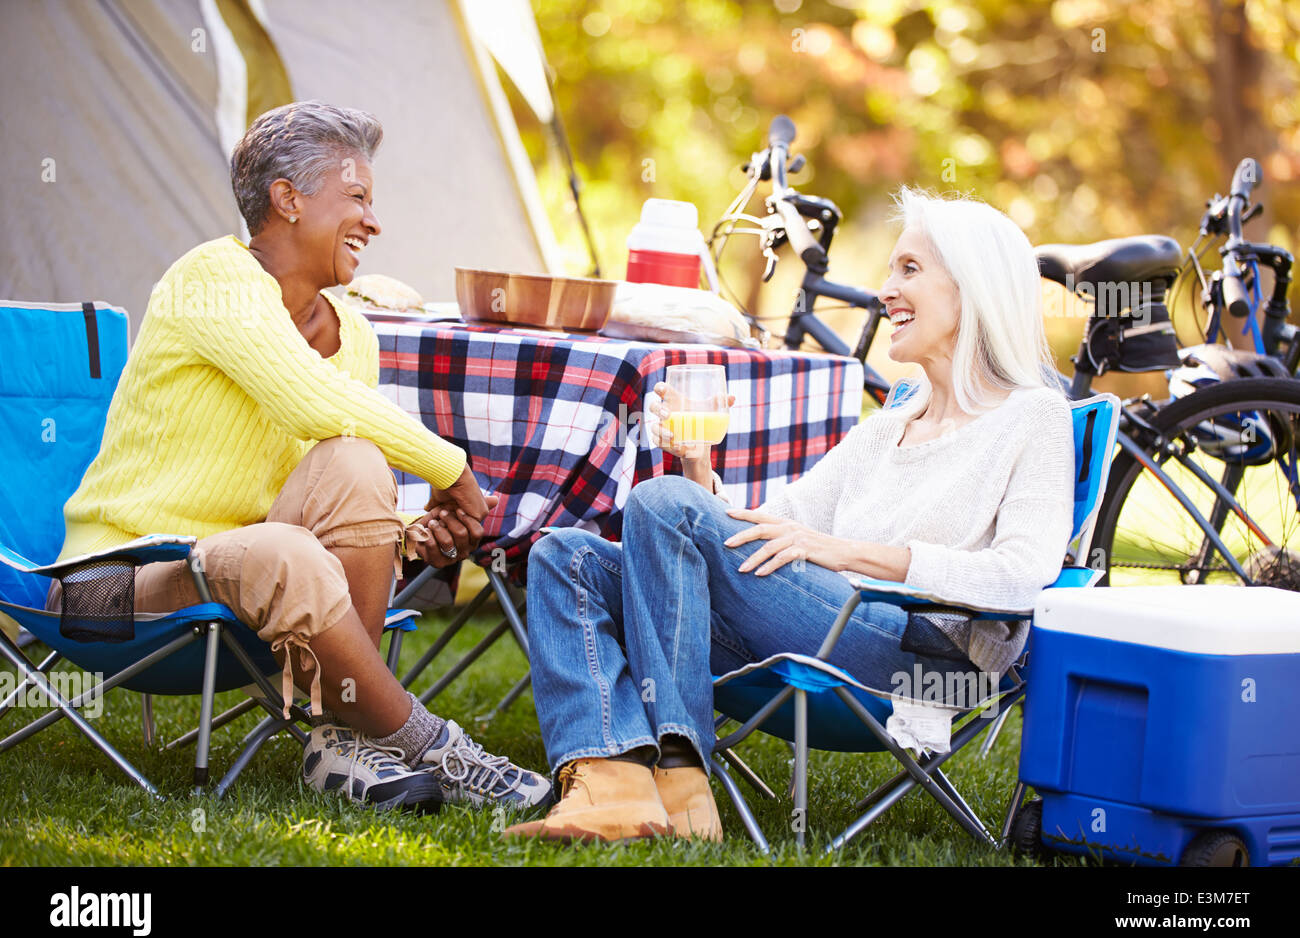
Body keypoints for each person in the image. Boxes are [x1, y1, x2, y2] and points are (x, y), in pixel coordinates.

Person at [504, 188, 1075, 843]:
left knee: (666, 507)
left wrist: (843, 553)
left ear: (974, 286)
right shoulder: (883, 431)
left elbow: (1026, 578)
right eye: (890, 270)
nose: (885, 289)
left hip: (924, 654)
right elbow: (762, 531)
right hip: (824, 626)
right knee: (564, 556)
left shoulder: (1033, 415)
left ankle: (684, 785)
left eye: (910, 269)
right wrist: (695, 465)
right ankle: (610, 786)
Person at [49, 101, 550, 814]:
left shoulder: (355, 335)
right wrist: (454, 470)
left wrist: (407, 535)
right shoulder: (209, 278)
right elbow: (303, 398)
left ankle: (339, 738)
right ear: (287, 199)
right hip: (107, 590)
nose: (374, 223)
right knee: (289, 537)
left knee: (355, 462)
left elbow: (319, 489)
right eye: (357, 198)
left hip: (237, 568)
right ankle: (434, 744)